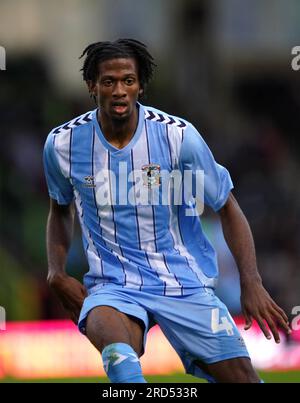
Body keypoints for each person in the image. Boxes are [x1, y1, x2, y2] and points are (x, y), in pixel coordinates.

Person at [43, 39, 291, 383]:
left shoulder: (179, 137)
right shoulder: (62, 144)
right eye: (109, 81)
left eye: (128, 80)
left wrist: (251, 281)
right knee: (119, 359)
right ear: (92, 85)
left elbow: (227, 206)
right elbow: (60, 208)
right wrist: (56, 272)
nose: (119, 90)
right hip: (113, 286)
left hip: (184, 282)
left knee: (243, 379)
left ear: (141, 85)